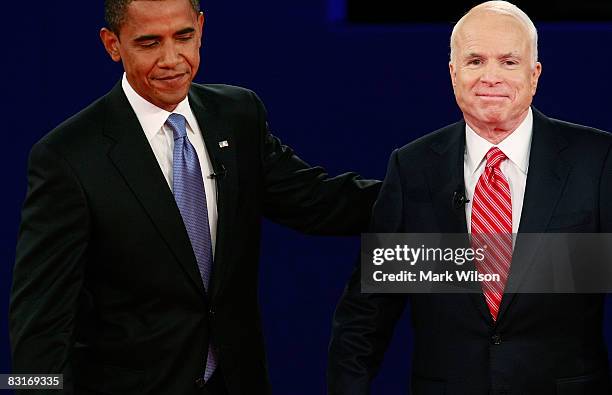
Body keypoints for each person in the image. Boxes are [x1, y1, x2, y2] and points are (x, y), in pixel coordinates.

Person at [9, 0, 380, 394]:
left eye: (183, 36)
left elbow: (318, 201)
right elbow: (38, 322)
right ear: (112, 44)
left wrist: (435, 196)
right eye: (149, 43)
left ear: (200, 27)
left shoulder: (237, 114)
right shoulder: (67, 156)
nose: (172, 59)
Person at [327, 1, 612, 394]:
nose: (491, 77)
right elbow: (367, 314)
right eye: (475, 60)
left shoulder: (596, 160)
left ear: (535, 74)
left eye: (509, 62)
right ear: (453, 73)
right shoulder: (413, 167)